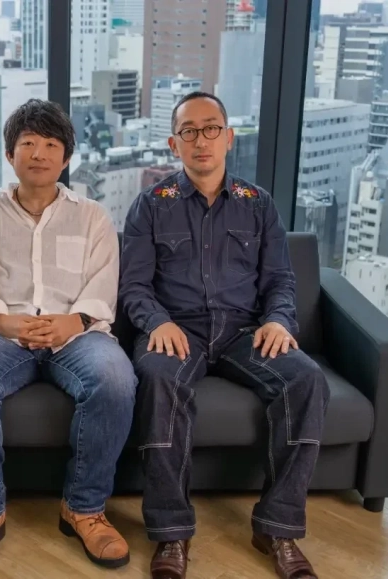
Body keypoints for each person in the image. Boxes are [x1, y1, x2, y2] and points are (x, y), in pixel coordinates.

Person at [120, 91, 328, 579]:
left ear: (229, 137)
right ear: (174, 143)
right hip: (177, 329)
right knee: (158, 378)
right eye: (189, 131)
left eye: (211, 128)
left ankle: (278, 528)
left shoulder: (259, 204)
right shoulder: (151, 205)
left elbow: (280, 280)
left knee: (306, 379)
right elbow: (133, 286)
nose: (201, 140)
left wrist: (279, 320)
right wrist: (157, 322)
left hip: (245, 330)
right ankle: (172, 535)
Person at [0, 99, 137, 577]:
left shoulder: (92, 215)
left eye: (51, 144)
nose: (39, 153)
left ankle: (84, 509)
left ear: (66, 157)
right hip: (4, 334)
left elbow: (104, 283)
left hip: (76, 335)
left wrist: (76, 321)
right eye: (28, 143)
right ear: (10, 154)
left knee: (115, 379)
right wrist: (0, 321)